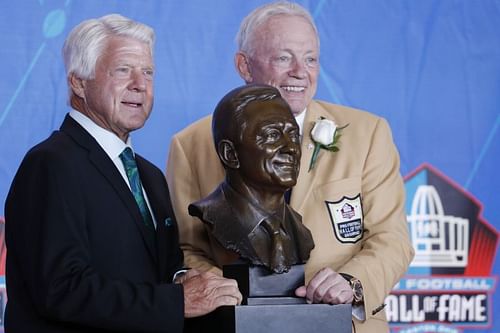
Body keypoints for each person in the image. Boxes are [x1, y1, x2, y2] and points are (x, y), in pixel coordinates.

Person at [166, 2, 414, 332]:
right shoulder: (191, 144)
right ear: (244, 64)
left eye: (310, 58)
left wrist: (352, 283)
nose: (301, 71)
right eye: (284, 57)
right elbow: (185, 249)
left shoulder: (367, 134)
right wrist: (233, 295)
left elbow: (392, 239)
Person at [4, 14, 241, 333]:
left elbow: (158, 271)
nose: (140, 85)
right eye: (122, 70)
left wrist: (187, 280)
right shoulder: (49, 164)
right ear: (78, 82)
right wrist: (176, 300)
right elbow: (60, 288)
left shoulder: (150, 175)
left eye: (148, 72)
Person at [189, 84, 314, 274]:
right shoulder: (211, 215)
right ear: (230, 154)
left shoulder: (299, 231)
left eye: (293, 135)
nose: (292, 149)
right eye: (272, 135)